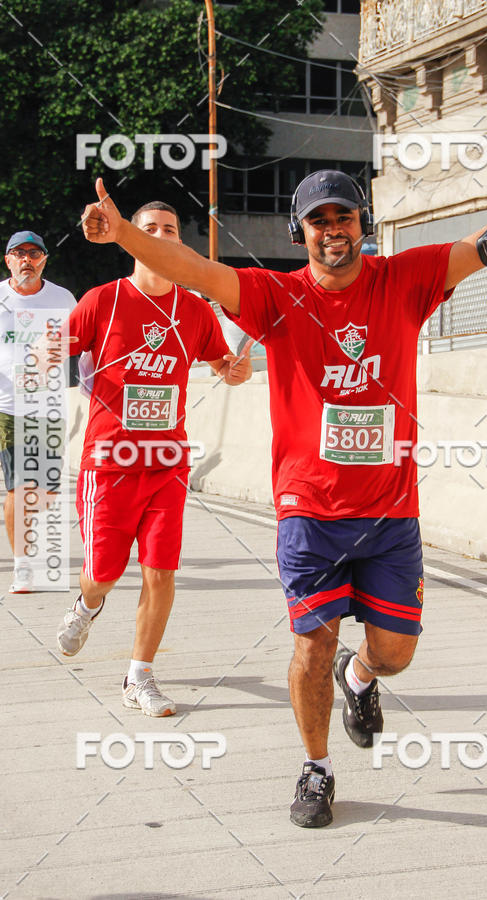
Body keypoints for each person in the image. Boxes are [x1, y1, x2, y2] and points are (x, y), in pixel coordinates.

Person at [80, 171, 487, 820]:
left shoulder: (406, 280)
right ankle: (317, 769)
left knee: (394, 653)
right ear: (301, 232)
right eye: (319, 221)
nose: (333, 230)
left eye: (344, 217)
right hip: (309, 516)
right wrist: (126, 233)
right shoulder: (274, 295)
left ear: (362, 224)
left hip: (390, 515)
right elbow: (190, 267)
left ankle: (361, 679)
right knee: (311, 646)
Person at [56, 200, 252, 717]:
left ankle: (139, 676)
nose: (160, 236)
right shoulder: (104, 300)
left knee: (160, 571)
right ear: (129, 237)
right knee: (103, 571)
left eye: (169, 229)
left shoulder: (193, 309)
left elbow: (222, 361)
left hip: (167, 463)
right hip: (110, 460)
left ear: (179, 242)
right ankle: (87, 605)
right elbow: (55, 351)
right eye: (149, 229)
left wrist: (235, 370)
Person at [0, 230, 76, 593]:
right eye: (19, 253)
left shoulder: (62, 298)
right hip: (9, 406)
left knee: (43, 492)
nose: (27, 259)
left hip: (50, 406)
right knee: (19, 485)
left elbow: (84, 345)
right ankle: (22, 566)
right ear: (8, 260)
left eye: (34, 253)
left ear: (45, 258)